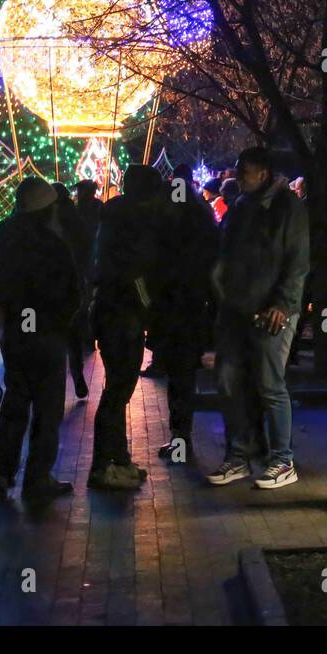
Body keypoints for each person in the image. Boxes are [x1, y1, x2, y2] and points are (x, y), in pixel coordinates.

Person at [208, 145, 309, 489]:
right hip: (237, 309)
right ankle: (239, 455)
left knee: (269, 384)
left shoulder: (287, 207)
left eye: (243, 171)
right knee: (228, 380)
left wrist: (282, 303)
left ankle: (282, 459)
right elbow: (226, 252)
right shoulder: (240, 206)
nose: (237, 177)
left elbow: (297, 261)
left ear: (262, 173)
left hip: (272, 311)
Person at [0, 177, 80, 502]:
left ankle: (1, 474)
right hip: (48, 335)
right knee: (48, 409)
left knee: (15, 403)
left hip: (17, 335)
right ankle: (37, 479)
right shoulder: (54, 245)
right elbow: (72, 294)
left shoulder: (6, 237)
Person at [88, 165, 166, 492]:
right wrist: (149, 305)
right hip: (122, 314)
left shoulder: (115, 218)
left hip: (115, 312)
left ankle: (117, 458)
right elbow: (135, 273)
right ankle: (104, 464)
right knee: (118, 388)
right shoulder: (129, 222)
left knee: (118, 389)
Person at [151, 165, 220, 461]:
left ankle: (181, 440)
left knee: (179, 378)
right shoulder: (201, 220)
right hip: (191, 309)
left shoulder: (174, 230)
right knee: (182, 377)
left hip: (177, 311)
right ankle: (180, 439)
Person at [51, 182, 93, 399]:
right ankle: (77, 378)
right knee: (73, 336)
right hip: (74, 283)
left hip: (52, 286)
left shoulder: (47, 221)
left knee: (54, 337)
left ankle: (56, 384)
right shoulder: (76, 220)